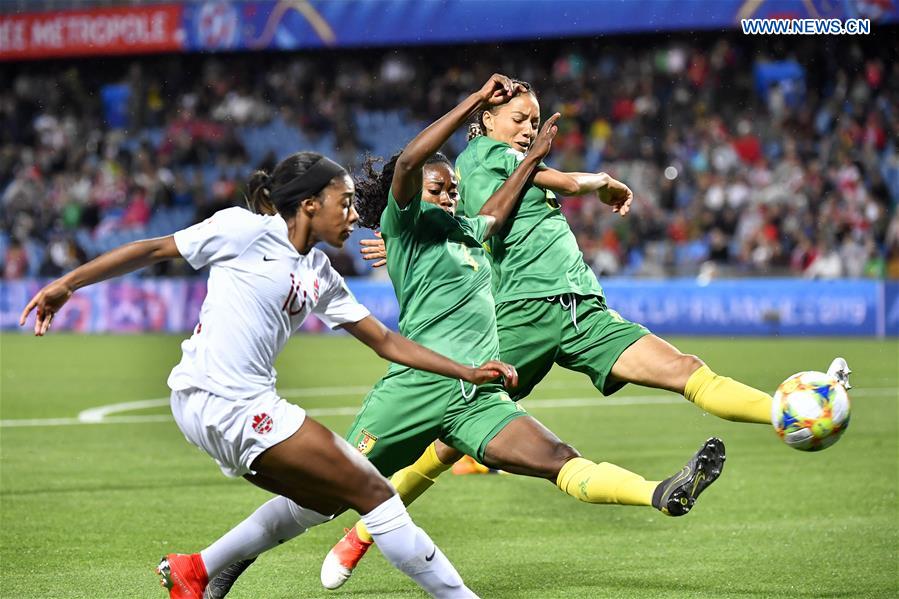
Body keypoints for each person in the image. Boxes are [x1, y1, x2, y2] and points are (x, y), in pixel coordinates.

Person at [310, 79, 854, 590]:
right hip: (519, 317)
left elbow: (479, 215)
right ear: (486, 120)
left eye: (535, 120)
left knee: (685, 370)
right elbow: (549, 187)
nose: (529, 128)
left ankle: (787, 409)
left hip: (582, 311)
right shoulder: (479, 157)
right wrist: (600, 181)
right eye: (519, 118)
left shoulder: (509, 166)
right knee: (447, 438)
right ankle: (361, 533)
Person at [204, 75, 727, 599]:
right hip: (412, 393)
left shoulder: (469, 232)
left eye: (453, 190)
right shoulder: (404, 227)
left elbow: (496, 212)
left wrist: (530, 158)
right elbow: (409, 163)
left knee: (559, 458)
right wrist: (475, 101)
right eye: (437, 189)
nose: (449, 196)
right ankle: (227, 560)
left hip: (475, 398)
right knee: (325, 496)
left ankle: (660, 493)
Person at [20, 151, 523, 599]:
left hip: (222, 405)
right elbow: (154, 249)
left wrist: (466, 371)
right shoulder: (243, 230)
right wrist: (69, 283)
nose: (354, 216)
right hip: (225, 400)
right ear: (309, 204)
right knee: (376, 492)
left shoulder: (320, 272)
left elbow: (385, 342)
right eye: (345, 203)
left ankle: (195, 570)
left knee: (326, 499)